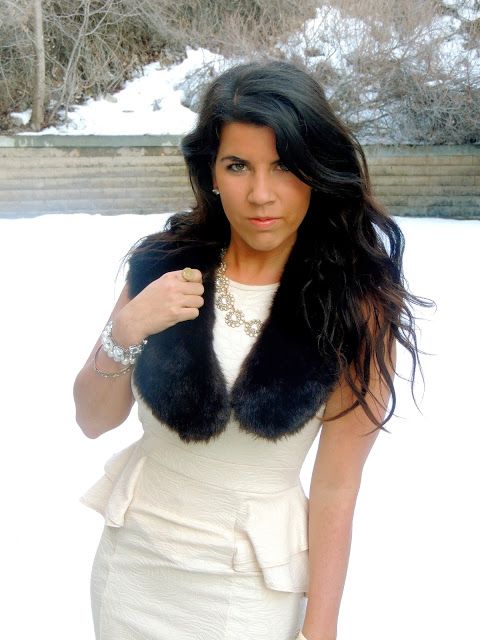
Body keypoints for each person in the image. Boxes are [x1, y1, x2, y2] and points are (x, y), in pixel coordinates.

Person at [74, 60, 429, 640]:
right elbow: (92, 420)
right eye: (238, 165)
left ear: (316, 170)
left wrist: (321, 630)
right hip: (131, 574)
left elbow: (337, 487)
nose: (261, 195)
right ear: (212, 172)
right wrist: (128, 327)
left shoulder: (353, 305)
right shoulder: (164, 266)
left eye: (284, 166)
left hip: (248, 593)